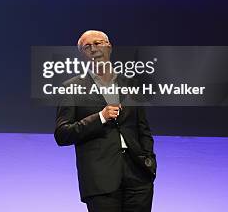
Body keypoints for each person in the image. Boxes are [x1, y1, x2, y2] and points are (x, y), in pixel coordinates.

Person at [54, 30, 156, 212]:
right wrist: (100, 117)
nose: (93, 49)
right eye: (87, 47)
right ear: (82, 54)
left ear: (109, 46)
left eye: (98, 43)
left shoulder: (131, 83)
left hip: (138, 175)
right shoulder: (71, 88)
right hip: (100, 178)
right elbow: (62, 134)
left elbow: (143, 128)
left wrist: (149, 161)